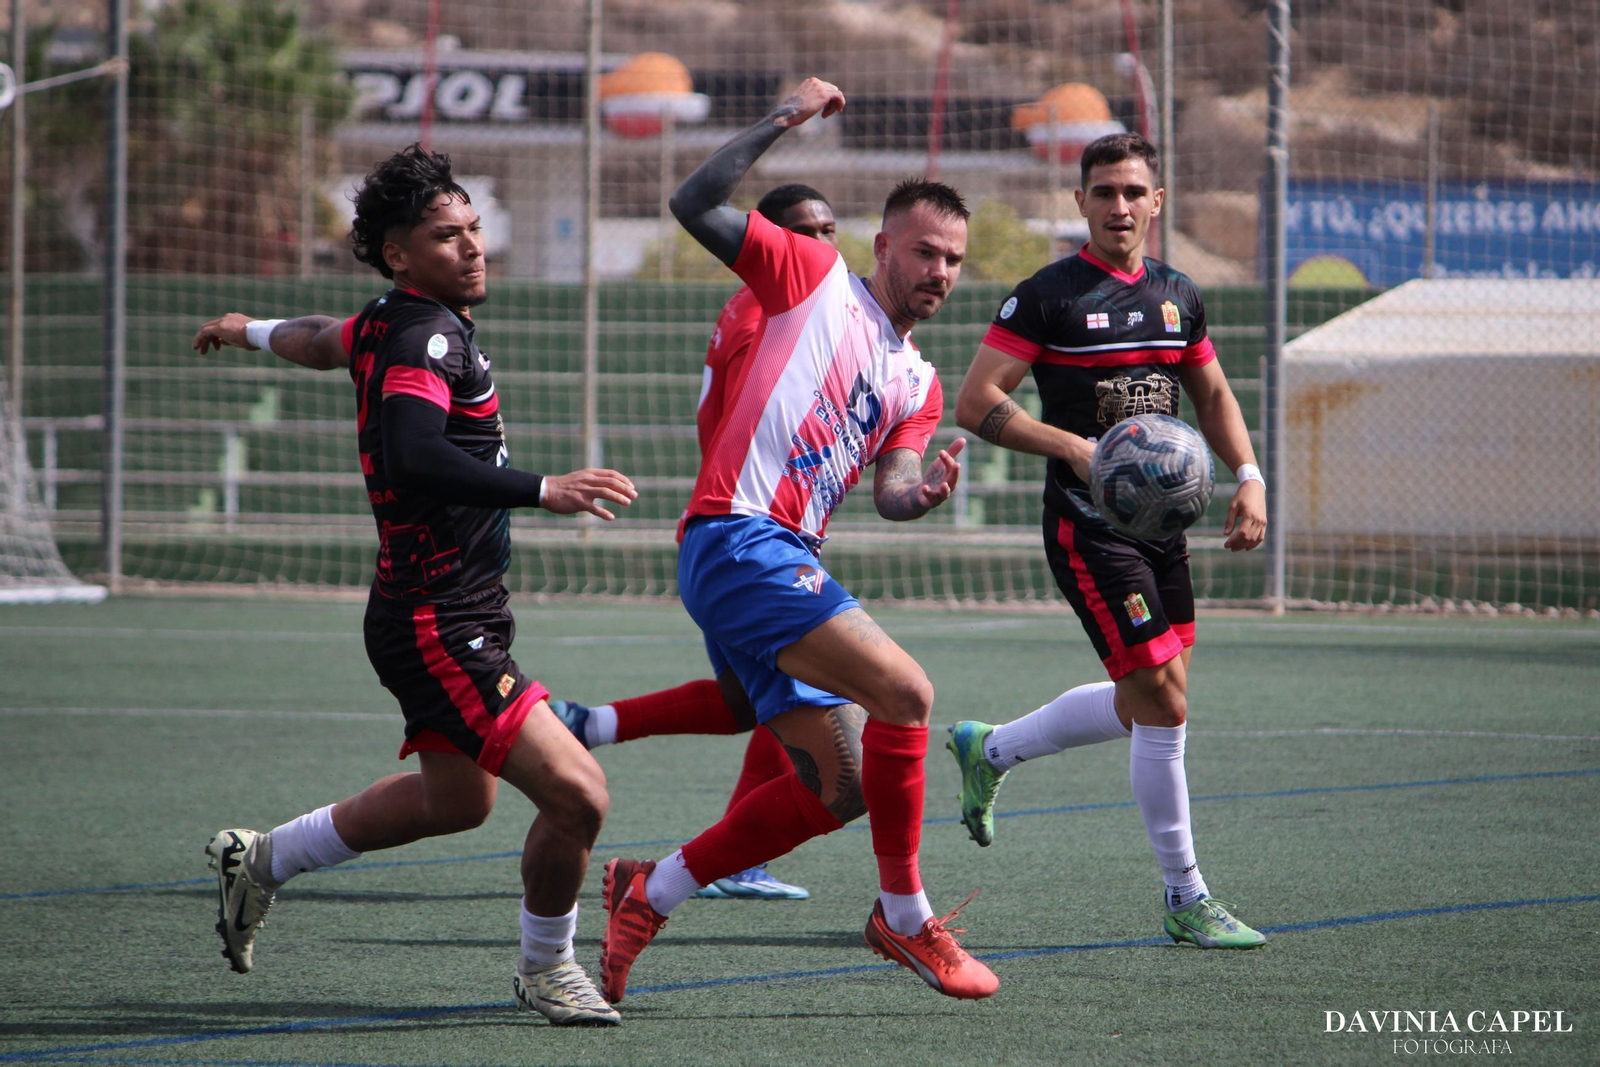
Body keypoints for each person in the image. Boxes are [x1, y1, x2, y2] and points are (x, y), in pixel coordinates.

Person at [190, 144, 639, 1025]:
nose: (472, 246)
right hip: (438, 621)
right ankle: (547, 967)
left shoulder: (387, 320)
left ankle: (264, 859)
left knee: (455, 799)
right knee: (580, 794)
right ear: (399, 254)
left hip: (439, 610)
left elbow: (320, 338)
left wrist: (244, 328)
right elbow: (416, 452)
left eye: (473, 227)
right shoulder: (424, 332)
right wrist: (543, 488)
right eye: (446, 235)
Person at [596, 77, 1000, 1003]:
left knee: (843, 781)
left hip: (786, 560)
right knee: (908, 692)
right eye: (924, 252)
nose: (939, 271)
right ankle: (904, 918)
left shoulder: (919, 380)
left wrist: (924, 493)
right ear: (881, 246)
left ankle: (650, 890)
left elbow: (891, 491)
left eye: (955, 261)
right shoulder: (810, 276)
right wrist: (783, 117)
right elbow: (692, 202)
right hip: (738, 537)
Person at [949, 131, 1268, 950]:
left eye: (1134, 192)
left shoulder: (1178, 295)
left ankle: (993, 748)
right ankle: (1184, 894)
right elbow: (976, 400)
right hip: (1089, 530)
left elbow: (1214, 390)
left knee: (1146, 705)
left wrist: (1250, 474)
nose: (1119, 206)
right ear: (1080, 201)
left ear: (1157, 202)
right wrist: (1072, 447)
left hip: (1165, 528)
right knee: (1163, 699)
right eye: (1104, 192)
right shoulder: (1046, 296)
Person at [550, 183, 842, 903]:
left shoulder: (770, 310)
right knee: (817, 694)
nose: (823, 244)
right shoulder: (767, 316)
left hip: (746, 532)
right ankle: (734, 858)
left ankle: (590, 723)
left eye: (831, 228)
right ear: (765, 242)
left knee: (749, 700)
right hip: (750, 536)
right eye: (803, 231)